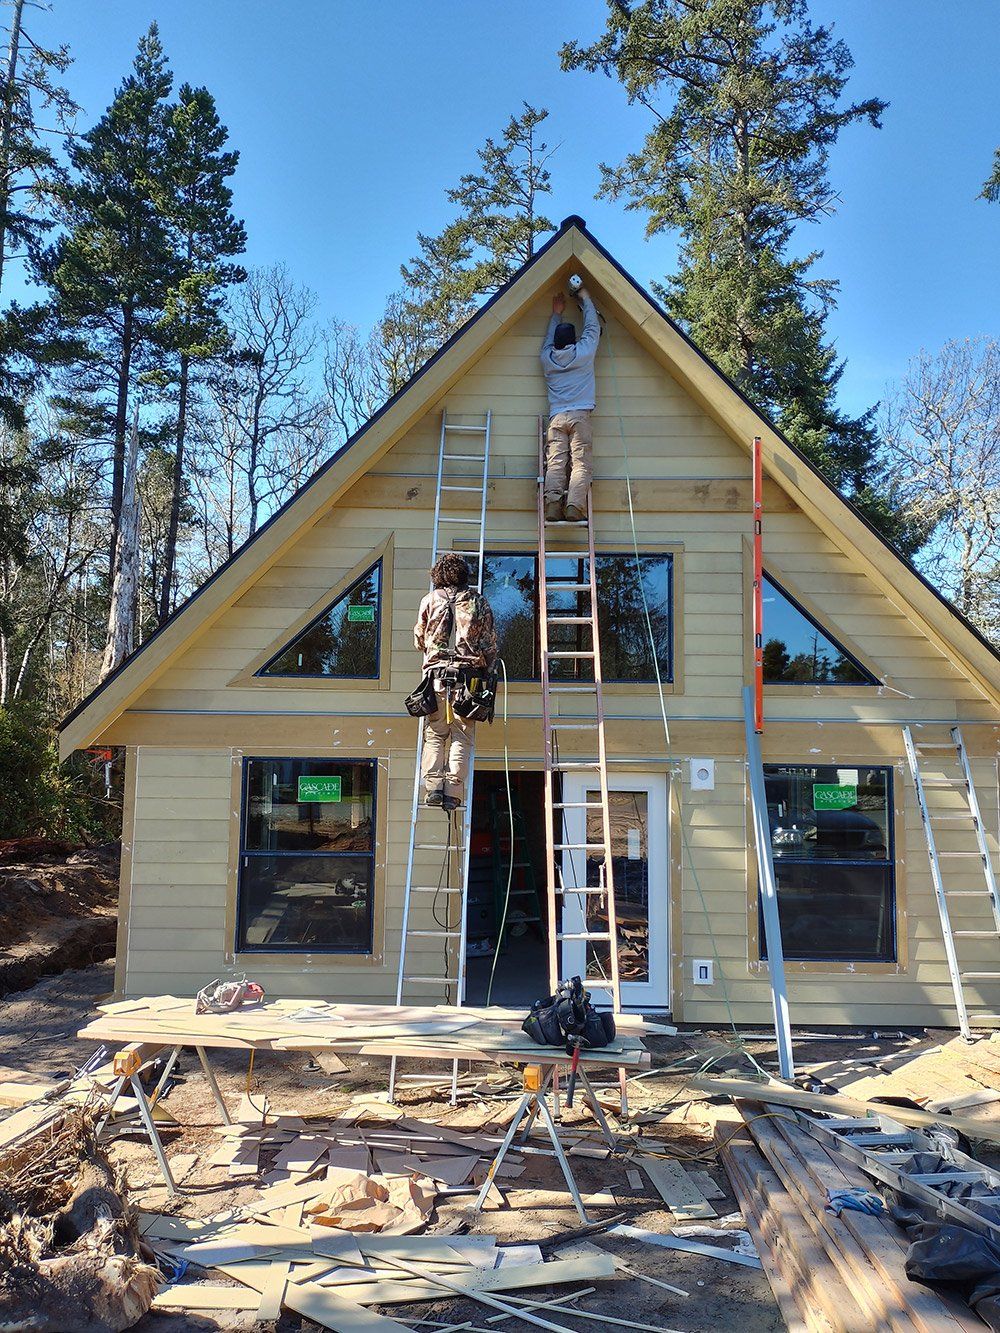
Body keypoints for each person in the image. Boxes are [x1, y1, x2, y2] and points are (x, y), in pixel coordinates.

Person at [413, 553, 498, 812]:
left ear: (438, 575)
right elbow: (489, 644)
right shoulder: (478, 602)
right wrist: (489, 671)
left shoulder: (429, 600)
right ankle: (453, 793)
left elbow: (419, 639)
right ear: (463, 575)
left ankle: (433, 789)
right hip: (467, 680)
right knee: (462, 736)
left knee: (435, 733)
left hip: (436, 678)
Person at [540, 283, 601, 523]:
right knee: (580, 463)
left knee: (555, 462)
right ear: (574, 340)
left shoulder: (547, 358)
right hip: (579, 416)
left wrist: (556, 313)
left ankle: (553, 505)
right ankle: (574, 505)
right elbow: (593, 328)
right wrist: (585, 297)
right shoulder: (584, 352)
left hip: (556, 418)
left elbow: (547, 341)